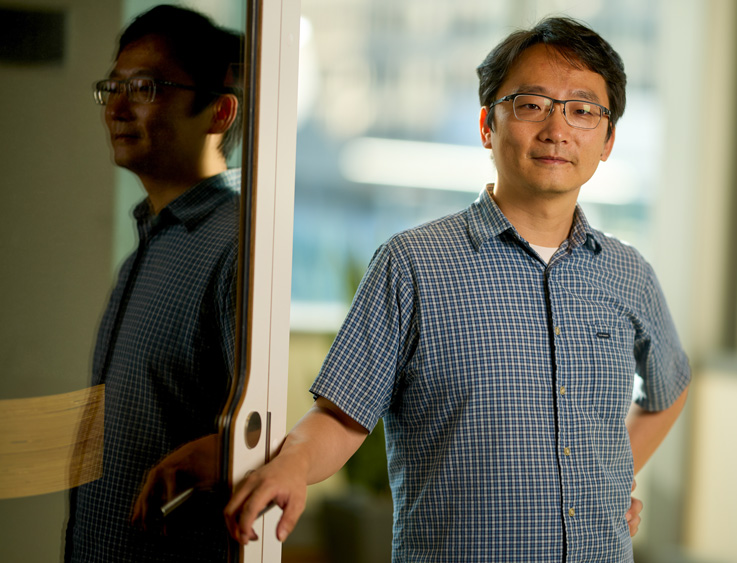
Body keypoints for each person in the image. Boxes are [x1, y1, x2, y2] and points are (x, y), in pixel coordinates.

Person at [225, 16, 690, 562]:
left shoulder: (627, 273)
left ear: (607, 140)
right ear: (487, 125)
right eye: (532, 104)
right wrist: (294, 463)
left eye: (583, 110)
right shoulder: (412, 264)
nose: (557, 129)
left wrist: (610, 479)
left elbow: (670, 386)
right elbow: (341, 415)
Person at [64, 5, 243, 562]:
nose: (116, 108)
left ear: (218, 111)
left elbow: (268, 431)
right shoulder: (152, 239)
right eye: (113, 86)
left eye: (144, 87)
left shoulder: (237, 245)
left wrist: (224, 453)